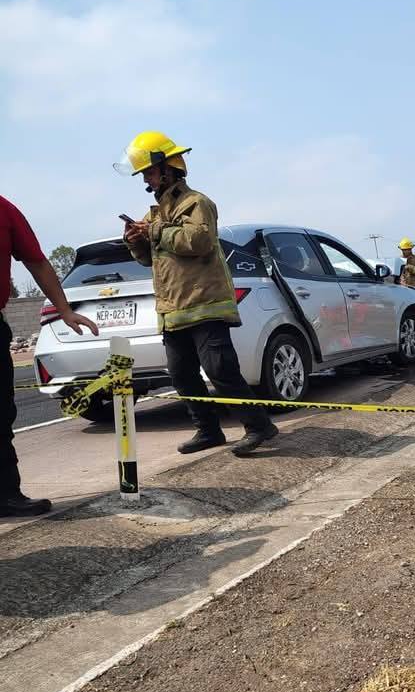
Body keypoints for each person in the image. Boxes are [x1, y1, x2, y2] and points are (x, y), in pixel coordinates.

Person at [116, 131, 277, 457]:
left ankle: (259, 426)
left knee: (221, 371)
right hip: (173, 311)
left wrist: (155, 231)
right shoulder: (155, 214)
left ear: (168, 168)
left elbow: (199, 241)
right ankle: (208, 431)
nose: (146, 179)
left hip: (205, 305)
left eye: (149, 171)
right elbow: (149, 259)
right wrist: (135, 241)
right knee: (182, 376)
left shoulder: (196, 203)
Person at [1, 196, 99, 515]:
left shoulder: (4, 210)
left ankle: (5, 495)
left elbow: (37, 262)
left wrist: (65, 310)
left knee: (0, 416)